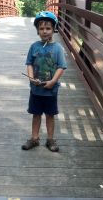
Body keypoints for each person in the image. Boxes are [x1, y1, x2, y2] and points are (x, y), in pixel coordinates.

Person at [22, 11, 67, 152]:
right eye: (41, 28)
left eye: (48, 28)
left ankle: (50, 139)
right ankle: (34, 139)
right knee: (36, 114)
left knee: (50, 115)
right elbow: (29, 63)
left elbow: (61, 67)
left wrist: (53, 81)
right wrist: (30, 77)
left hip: (51, 90)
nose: (44, 31)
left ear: (53, 29)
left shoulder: (58, 48)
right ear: (37, 30)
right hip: (36, 89)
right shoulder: (34, 46)